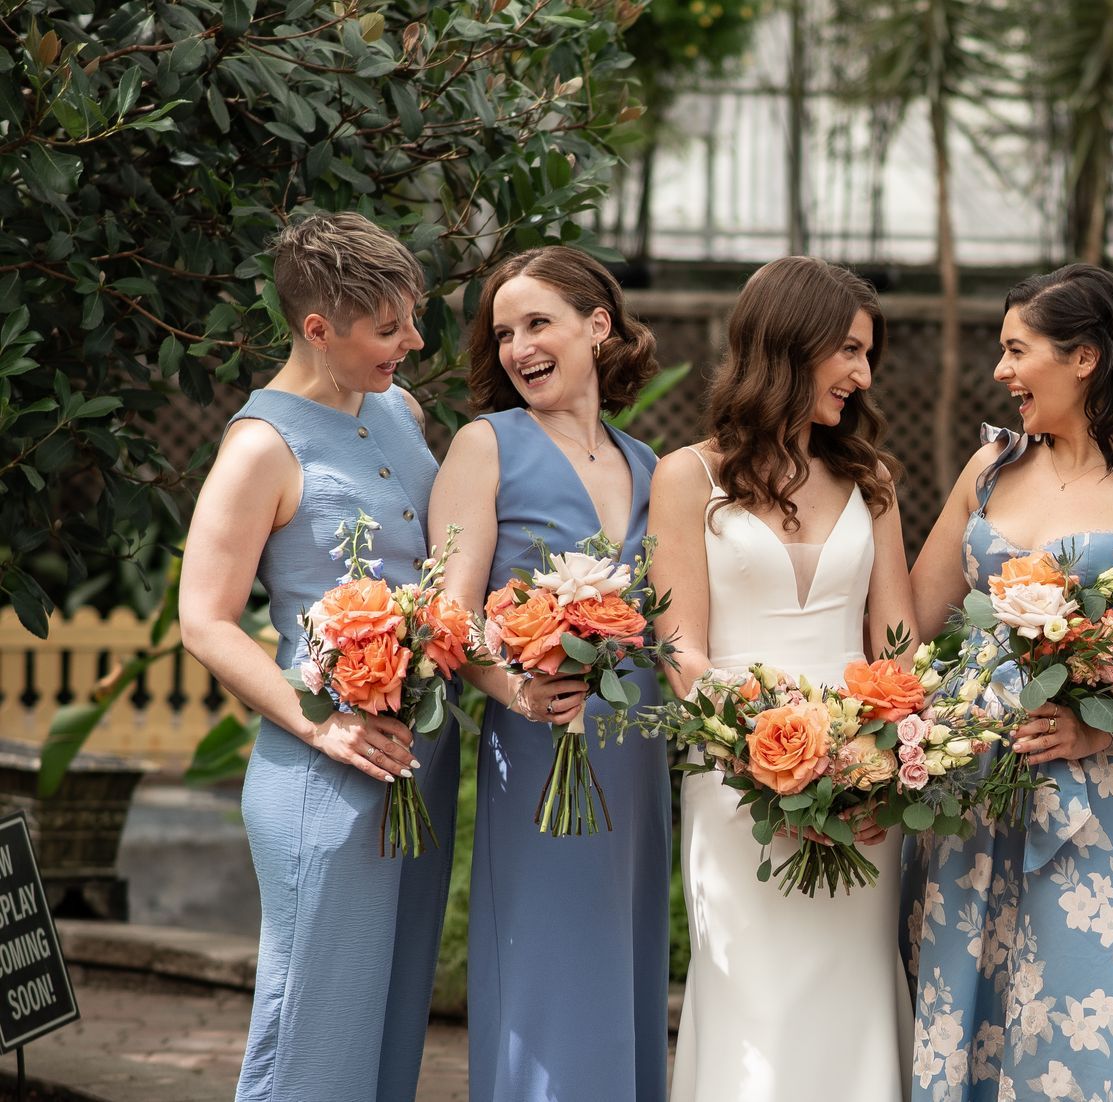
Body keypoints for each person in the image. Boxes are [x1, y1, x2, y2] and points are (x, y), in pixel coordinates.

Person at [903, 263, 1113, 1102]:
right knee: (974, 1014)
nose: (1001, 371)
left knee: (1088, 1029)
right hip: (975, 795)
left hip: (1103, 806)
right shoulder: (991, 467)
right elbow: (913, 622)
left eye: (1017, 350)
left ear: (1084, 358)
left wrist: (1102, 728)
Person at [178, 211, 453, 1101]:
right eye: (388, 327)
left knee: (391, 1018)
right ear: (317, 329)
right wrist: (322, 723)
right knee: (313, 1029)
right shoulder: (262, 446)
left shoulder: (402, 411)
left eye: (411, 318)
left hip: (416, 761)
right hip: (323, 770)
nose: (412, 341)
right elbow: (206, 621)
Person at [649, 256, 916, 1102]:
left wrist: (884, 752)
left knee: (855, 985)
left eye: (867, 354)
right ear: (790, 343)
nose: (862, 374)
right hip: (734, 779)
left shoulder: (870, 483)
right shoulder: (688, 477)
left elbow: (897, 644)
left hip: (864, 777)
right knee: (750, 992)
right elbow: (679, 647)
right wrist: (751, 740)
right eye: (847, 349)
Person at [429, 245, 670, 1101]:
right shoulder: (484, 446)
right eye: (503, 333)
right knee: (547, 970)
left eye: (538, 323)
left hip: (634, 761)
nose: (518, 347)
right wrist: (517, 688)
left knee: (624, 966)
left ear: (597, 327)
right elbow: (450, 614)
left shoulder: (652, 468)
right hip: (539, 751)